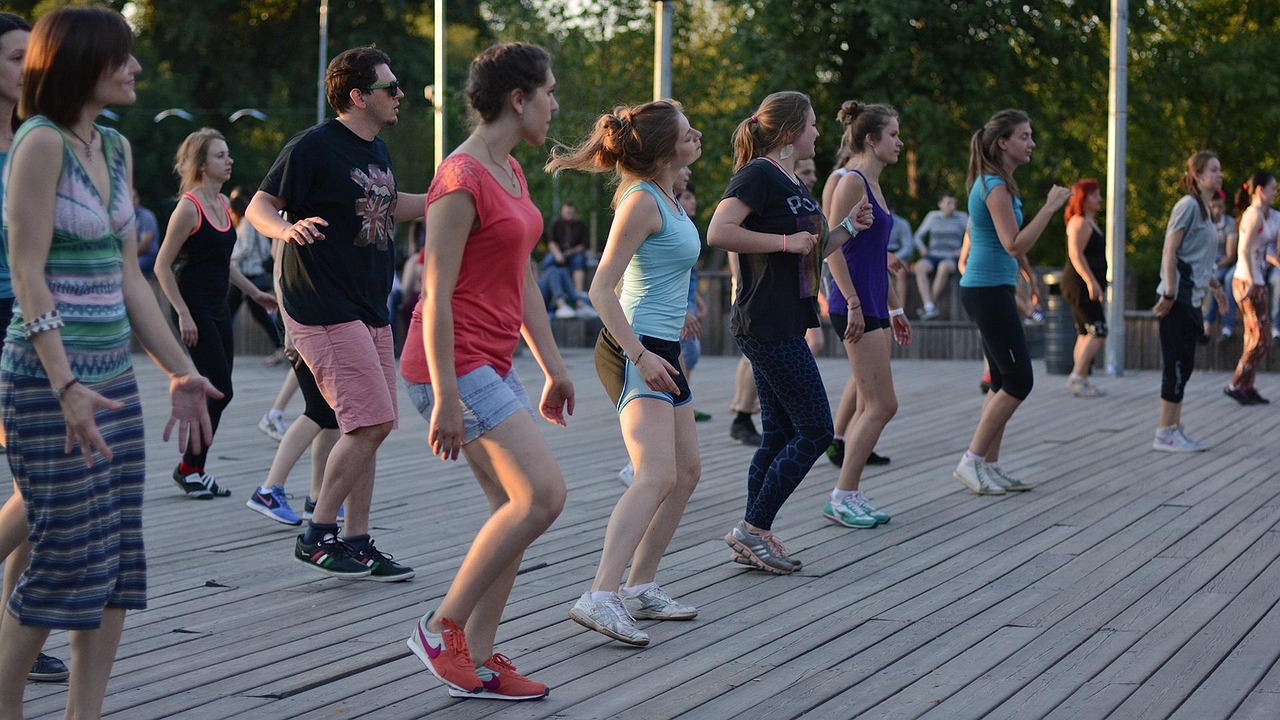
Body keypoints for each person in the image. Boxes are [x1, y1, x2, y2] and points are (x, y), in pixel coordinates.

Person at [0, 7, 220, 717]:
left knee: (117, 564)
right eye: (122, 57)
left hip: (113, 382)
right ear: (81, 63)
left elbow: (130, 276)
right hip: (45, 382)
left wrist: (177, 369)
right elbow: (27, 273)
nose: (135, 69)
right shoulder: (38, 144)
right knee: (63, 559)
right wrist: (64, 382)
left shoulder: (117, 149)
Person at [402, 42, 568, 701]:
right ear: (518, 98)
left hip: (491, 361)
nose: (555, 105)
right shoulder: (461, 176)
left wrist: (554, 366)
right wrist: (444, 396)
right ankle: (442, 627)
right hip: (448, 364)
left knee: (513, 508)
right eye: (549, 92)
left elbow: (522, 277)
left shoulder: (510, 171)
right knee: (543, 497)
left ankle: (484, 653)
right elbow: (434, 292)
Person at [247, 45, 420, 582]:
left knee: (373, 424)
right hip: (323, 305)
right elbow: (259, 206)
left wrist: (463, 193)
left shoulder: (379, 151)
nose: (399, 96)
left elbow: (395, 207)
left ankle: (358, 540)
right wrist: (286, 229)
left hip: (370, 306)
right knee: (370, 421)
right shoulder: (315, 147)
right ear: (357, 95)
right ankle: (318, 534)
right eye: (390, 88)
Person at [549, 100, 703, 647]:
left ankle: (641, 586)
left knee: (686, 474)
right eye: (688, 132)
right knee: (656, 475)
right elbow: (599, 288)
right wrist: (640, 354)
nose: (698, 136)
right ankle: (600, 594)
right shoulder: (640, 200)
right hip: (632, 349)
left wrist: (676, 309)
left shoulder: (667, 197)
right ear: (665, 149)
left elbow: (655, 270)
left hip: (663, 346)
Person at [707, 90, 872, 574]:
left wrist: (847, 228)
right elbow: (718, 231)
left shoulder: (789, 180)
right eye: (813, 125)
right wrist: (783, 241)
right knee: (817, 429)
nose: (819, 133)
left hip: (784, 318)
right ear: (790, 130)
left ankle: (754, 533)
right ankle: (753, 529)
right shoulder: (759, 173)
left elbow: (811, 247)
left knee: (778, 432)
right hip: (765, 321)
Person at [0, 10, 68, 687]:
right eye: (15, 56)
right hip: (8, 315)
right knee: (37, 485)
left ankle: (14, 630)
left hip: (39, 318)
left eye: (32, 56)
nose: (28, 67)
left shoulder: (45, 139)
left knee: (35, 484)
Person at [154, 129, 276, 501]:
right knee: (220, 388)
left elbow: (225, 264)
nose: (230, 160)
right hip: (195, 311)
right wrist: (183, 313)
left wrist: (254, 292)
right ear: (202, 164)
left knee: (219, 389)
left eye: (227, 154)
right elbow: (162, 266)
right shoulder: (188, 207)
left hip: (219, 307)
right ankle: (189, 468)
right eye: (221, 155)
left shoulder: (223, 204)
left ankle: (194, 469)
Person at [953, 109, 1069, 494]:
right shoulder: (993, 185)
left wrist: (1025, 273)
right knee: (1019, 380)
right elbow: (1013, 241)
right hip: (985, 290)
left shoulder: (999, 183)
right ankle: (971, 462)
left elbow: (1010, 246)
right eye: (1024, 135)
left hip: (994, 287)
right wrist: (1051, 207)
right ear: (1003, 142)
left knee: (1003, 379)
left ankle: (989, 464)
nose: (1031, 143)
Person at [821, 101, 911, 529]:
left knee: (871, 403)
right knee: (881, 403)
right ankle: (842, 494)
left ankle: (849, 492)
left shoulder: (873, 182)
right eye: (893, 135)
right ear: (871, 139)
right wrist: (854, 302)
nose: (899, 142)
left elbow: (875, 255)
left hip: (874, 303)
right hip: (852, 306)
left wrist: (894, 305)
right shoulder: (850, 182)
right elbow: (829, 247)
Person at [1150, 151, 1225, 451]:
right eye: (1214, 170)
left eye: (1220, 170)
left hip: (1192, 297)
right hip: (1177, 298)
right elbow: (1170, 250)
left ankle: (1174, 427)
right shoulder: (1188, 206)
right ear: (1197, 175)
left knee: (1186, 364)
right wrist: (1169, 291)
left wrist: (1215, 286)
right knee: (1177, 365)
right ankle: (1164, 433)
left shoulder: (1205, 210)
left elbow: (1197, 257)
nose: (1220, 175)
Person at [1225, 172, 1276, 405]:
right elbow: (1243, 250)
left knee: (1253, 336)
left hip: (1257, 279)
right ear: (1259, 190)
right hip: (1248, 280)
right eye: (1272, 188)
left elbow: (1269, 252)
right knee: (1262, 337)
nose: (1275, 192)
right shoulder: (1253, 214)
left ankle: (1247, 386)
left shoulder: (1269, 216)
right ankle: (1236, 383)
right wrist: (1250, 281)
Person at [227, 185, 287, 367]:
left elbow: (245, 248)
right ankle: (281, 347)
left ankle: (282, 346)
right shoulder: (248, 221)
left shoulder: (246, 222)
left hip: (249, 275)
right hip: (247, 275)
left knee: (229, 311)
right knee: (251, 312)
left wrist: (227, 256)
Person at [1061, 178, 1108, 397]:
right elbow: (1075, 254)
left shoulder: (1090, 221)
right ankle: (1077, 376)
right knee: (1098, 330)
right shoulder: (1079, 221)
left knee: (1084, 331)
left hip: (1086, 283)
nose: (1099, 198)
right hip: (1079, 284)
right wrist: (1091, 281)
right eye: (1094, 194)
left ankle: (1082, 377)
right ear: (1084, 197)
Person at [913, 193, 968, 320]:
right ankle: (929, 305)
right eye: (948, 203)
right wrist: (921, 247)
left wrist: (962, 250)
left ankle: (929, 307)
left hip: (951, 256)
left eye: (954, 203)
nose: (952, 206)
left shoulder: (962, 217)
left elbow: (973, 236)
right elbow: (917, 236)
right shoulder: (932, 216)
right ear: (940, 204)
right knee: (919, 267)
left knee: (943, 267)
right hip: (933, 254)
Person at [1204, 190, 1237, 339]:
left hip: (1226, 263)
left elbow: (1230, 255)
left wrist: (1215, 267)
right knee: (1212, 282)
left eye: (1220, 206)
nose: (1217, 211)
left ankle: (1227, 326)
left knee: (1227, 280)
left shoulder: (1230, 224)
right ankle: (1207, 324)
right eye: (1214, 206)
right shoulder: (1204, 223)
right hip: (1209, 263)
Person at [544, 200, 590, 293]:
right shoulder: (556, 224)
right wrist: (558, 254)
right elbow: (551, 242)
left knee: (579, 261)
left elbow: (583, 245)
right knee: (548, 260)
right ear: (562, 212)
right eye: (567, 212)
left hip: (575, 253)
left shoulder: (581, 226)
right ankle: (544, 286)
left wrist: (572, 251)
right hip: (559, 252)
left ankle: (579, 292)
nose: (569, 215)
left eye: (571, 213)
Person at [133, 188, 159, 278]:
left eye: (135, 197)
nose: (133, 200)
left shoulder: (146, 216)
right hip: (133, 257)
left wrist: (127, 258)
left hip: (149, 257)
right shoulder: (124, 218)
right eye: (130, 197)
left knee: (131, 268)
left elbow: (145, 245)